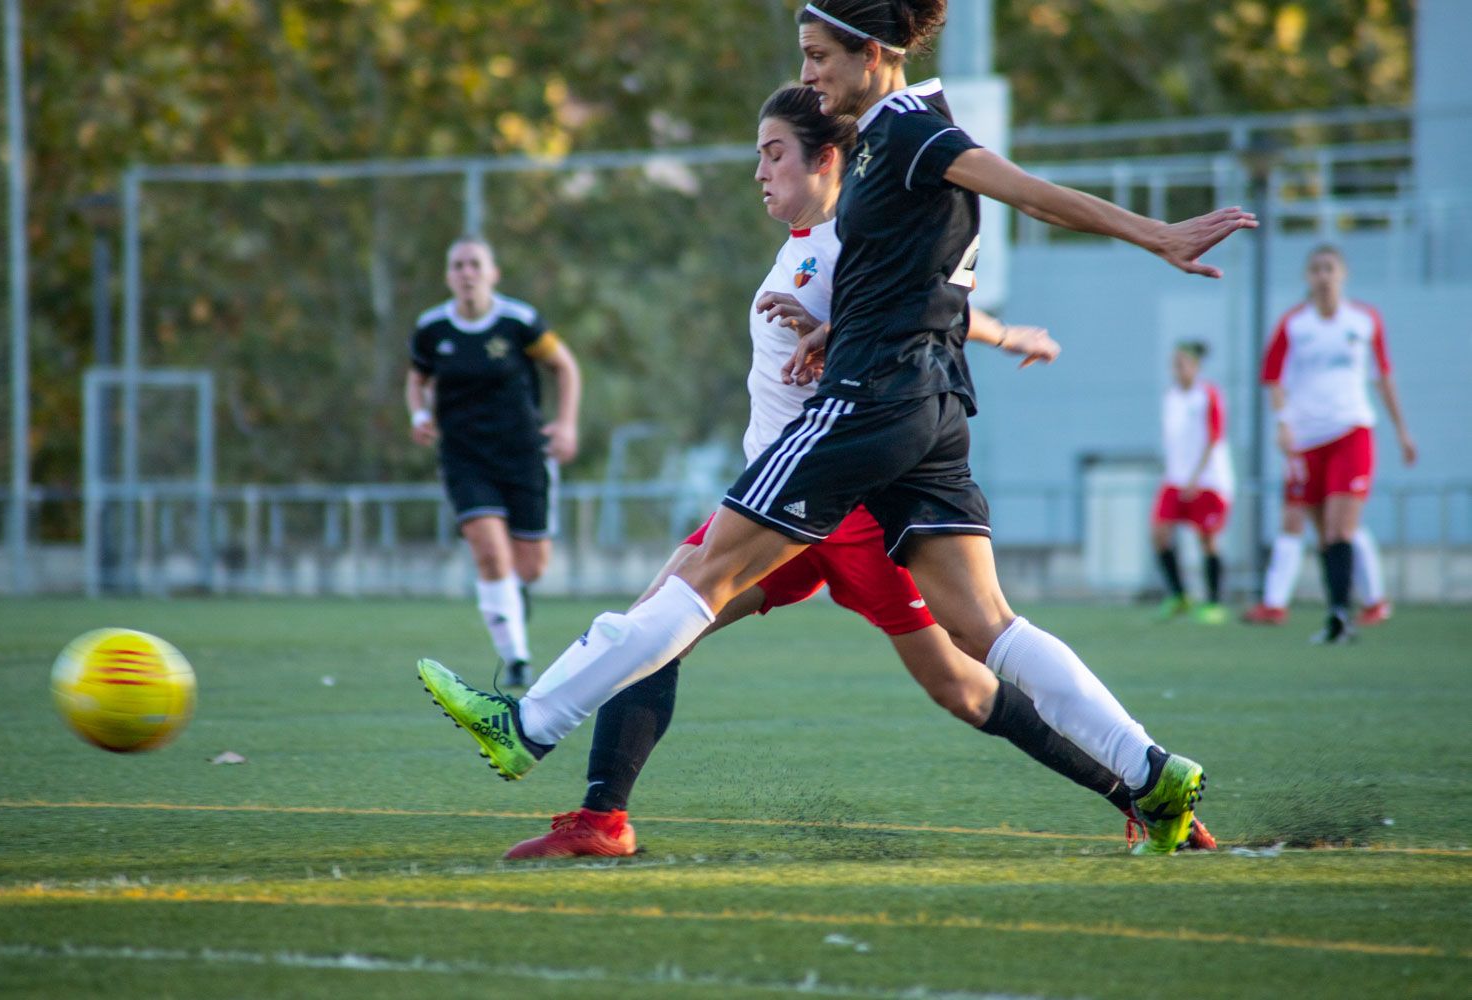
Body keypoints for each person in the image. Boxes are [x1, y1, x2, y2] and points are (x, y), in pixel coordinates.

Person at [417, 0, 1255, 856]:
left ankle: (526, 725)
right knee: (984, 631)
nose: (812, 75)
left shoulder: (906, 131)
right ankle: (1150, 777)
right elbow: (920, 283)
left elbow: (1028, 193)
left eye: (819, 56)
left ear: (873, 52)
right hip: (929, 405)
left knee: (692, 584)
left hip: (868, 410)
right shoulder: (891, 152)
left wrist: (1156, 234)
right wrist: (836, 329)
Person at [407, 236, 581, 687]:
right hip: (465, 457)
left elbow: (565, 366)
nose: (466, 273)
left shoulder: (518, 322)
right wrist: (420, 413)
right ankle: (517, 659)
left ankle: (514, 596)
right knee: (490, 553)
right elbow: (417, 377)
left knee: (531, 566)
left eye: (475, 264)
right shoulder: (432, 329)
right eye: (458, 265)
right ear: (448, 276)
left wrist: (565, 424)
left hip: (523, 454)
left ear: (492, 273)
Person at [1243, 245, 1415, 642]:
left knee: (1341, 527)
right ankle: (1341, 613)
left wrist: (1403, 431)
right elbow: (1273, 379)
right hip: (1306, 440)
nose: (1323, 276)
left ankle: (1340, 614)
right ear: (1307, 277)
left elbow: (1383, 376)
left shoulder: (1365, 320)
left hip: (1352, 432)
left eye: (1330, 268)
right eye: (1316, 269)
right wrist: (1283, 424)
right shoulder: (1294, 324)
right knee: (1323, 533)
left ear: (1344, 274)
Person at [1151, 341, 1234, 624]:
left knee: (1207, 539)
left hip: (1207, 480)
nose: (1177, 369)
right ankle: (1179, 596)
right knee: (1160, 533)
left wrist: (1196, 478)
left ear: (1195, 367)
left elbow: (1214, 438)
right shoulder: (1171, 397)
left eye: (1183, 363)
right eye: (1174, 364)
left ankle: (1214, 602)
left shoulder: (1208, 395)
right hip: (1175, 479)